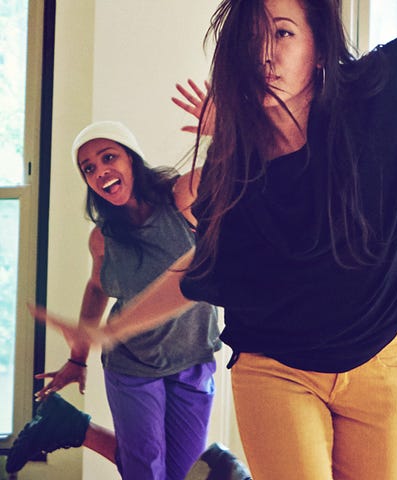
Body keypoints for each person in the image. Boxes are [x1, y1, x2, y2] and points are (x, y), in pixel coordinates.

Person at [29, 0, 397, 478]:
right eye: (251, 41)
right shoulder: (233, 167)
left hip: (383, 357)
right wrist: (106, 332)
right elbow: (200, 267)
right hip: (277, 368)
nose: (265, 55)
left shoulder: (373, 93)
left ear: (317, 48)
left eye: (284, 34)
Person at [6, 92, 248, 480]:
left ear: (130, 158)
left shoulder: (181, 199)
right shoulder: (103, 238)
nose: (99, 171)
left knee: (185, 473)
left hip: (193, 358)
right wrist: (77, 358)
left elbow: (230, 175)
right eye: (88, 168)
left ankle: (71, 427)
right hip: (133, 364)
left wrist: (222, 130)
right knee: (146, 471)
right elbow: (97, 289)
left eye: (108, 157)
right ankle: (69, 425)